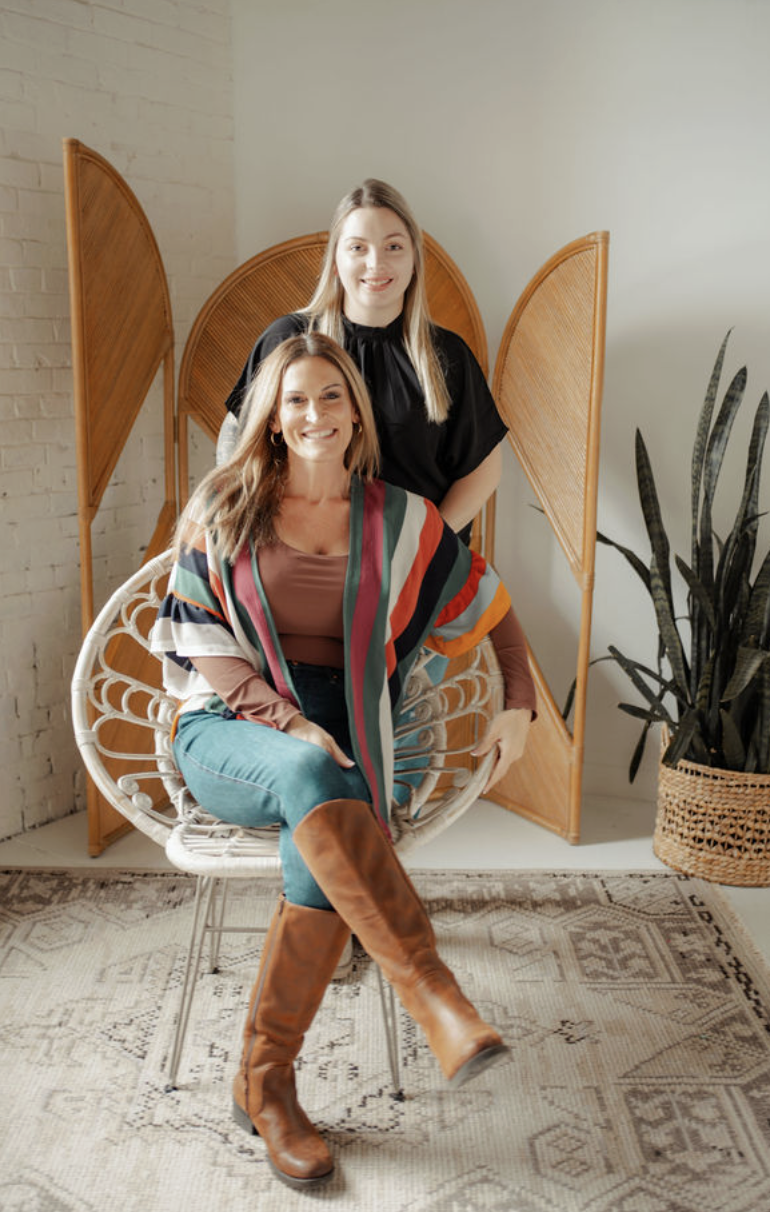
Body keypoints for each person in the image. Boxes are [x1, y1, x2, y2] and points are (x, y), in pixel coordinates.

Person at [152, 332, 536, 1190]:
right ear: (272, 418)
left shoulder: (401, 517)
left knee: (324, 822)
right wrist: (286, 721)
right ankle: (432, 992)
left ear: (357, 414)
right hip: (229, 727)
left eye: (331, 396)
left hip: (351, 739)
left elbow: (489, 603)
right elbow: (202, 642)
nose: (314, 413)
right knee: (311, 776)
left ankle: (264, 1086)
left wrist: (519, 701)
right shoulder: (225, 503)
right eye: (295, 399)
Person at [223, 178, 507, 545]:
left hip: (420, 560)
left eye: (393, 246)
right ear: (336, 261)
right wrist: (250, 527)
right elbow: (236, 441)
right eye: (358, 247)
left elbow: (483, 469)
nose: (376, 263)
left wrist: (427, 545)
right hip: (307, 553)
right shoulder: (288, 341)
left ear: (414, 260)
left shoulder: (447, 355)